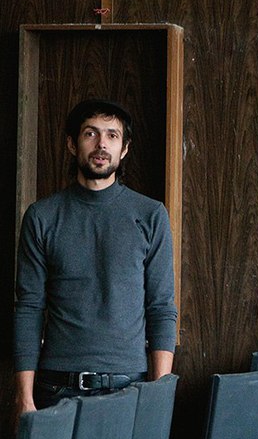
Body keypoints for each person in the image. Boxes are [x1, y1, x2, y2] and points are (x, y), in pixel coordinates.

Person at [14, 99, 178, 417]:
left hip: (129, 386)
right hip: (56, 387)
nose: (102, 144)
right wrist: (23, 398)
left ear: (124, 149)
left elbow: (161, 308)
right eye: (91, 133)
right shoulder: (42, 216)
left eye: (112, 135)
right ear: (72, 144)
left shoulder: (151, 215)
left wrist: (158, 396)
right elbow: (28, 308)